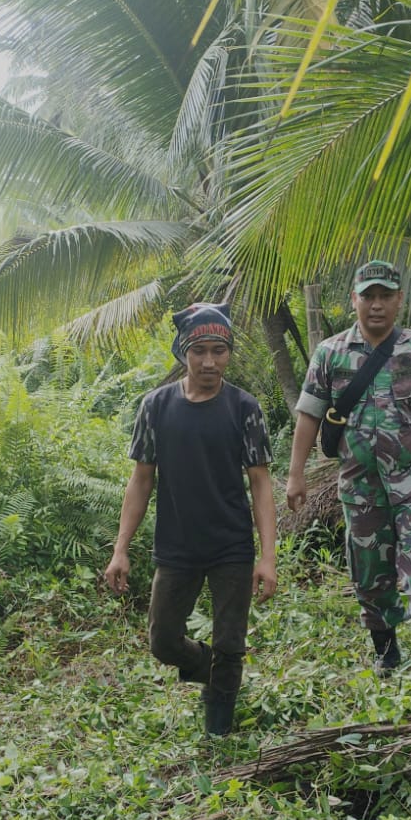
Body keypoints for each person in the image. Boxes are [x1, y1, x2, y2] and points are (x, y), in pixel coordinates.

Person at [286, 260, 411, 672]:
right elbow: (309, 415)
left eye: (385, 296)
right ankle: (386, 652)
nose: (377, 305)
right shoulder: (330, 353)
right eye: (368, 296)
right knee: (371, 572)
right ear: (353, 300)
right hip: (361, 485)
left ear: (399, 300)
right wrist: (296, 473)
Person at [104, 304, 277, 736]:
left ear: (229, 353)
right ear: (184, 352)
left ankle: (218, 731)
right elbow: (141, 480)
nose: (209, 362)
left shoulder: (244, 408)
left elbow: (260, 484)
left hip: (231, 547)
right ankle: (212, 673)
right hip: (177, 547)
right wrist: (120, 549)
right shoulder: (156, 406)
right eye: (199, 350)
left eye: (219, 351)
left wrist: (268, 557)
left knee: (230, 643)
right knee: (162, 640)